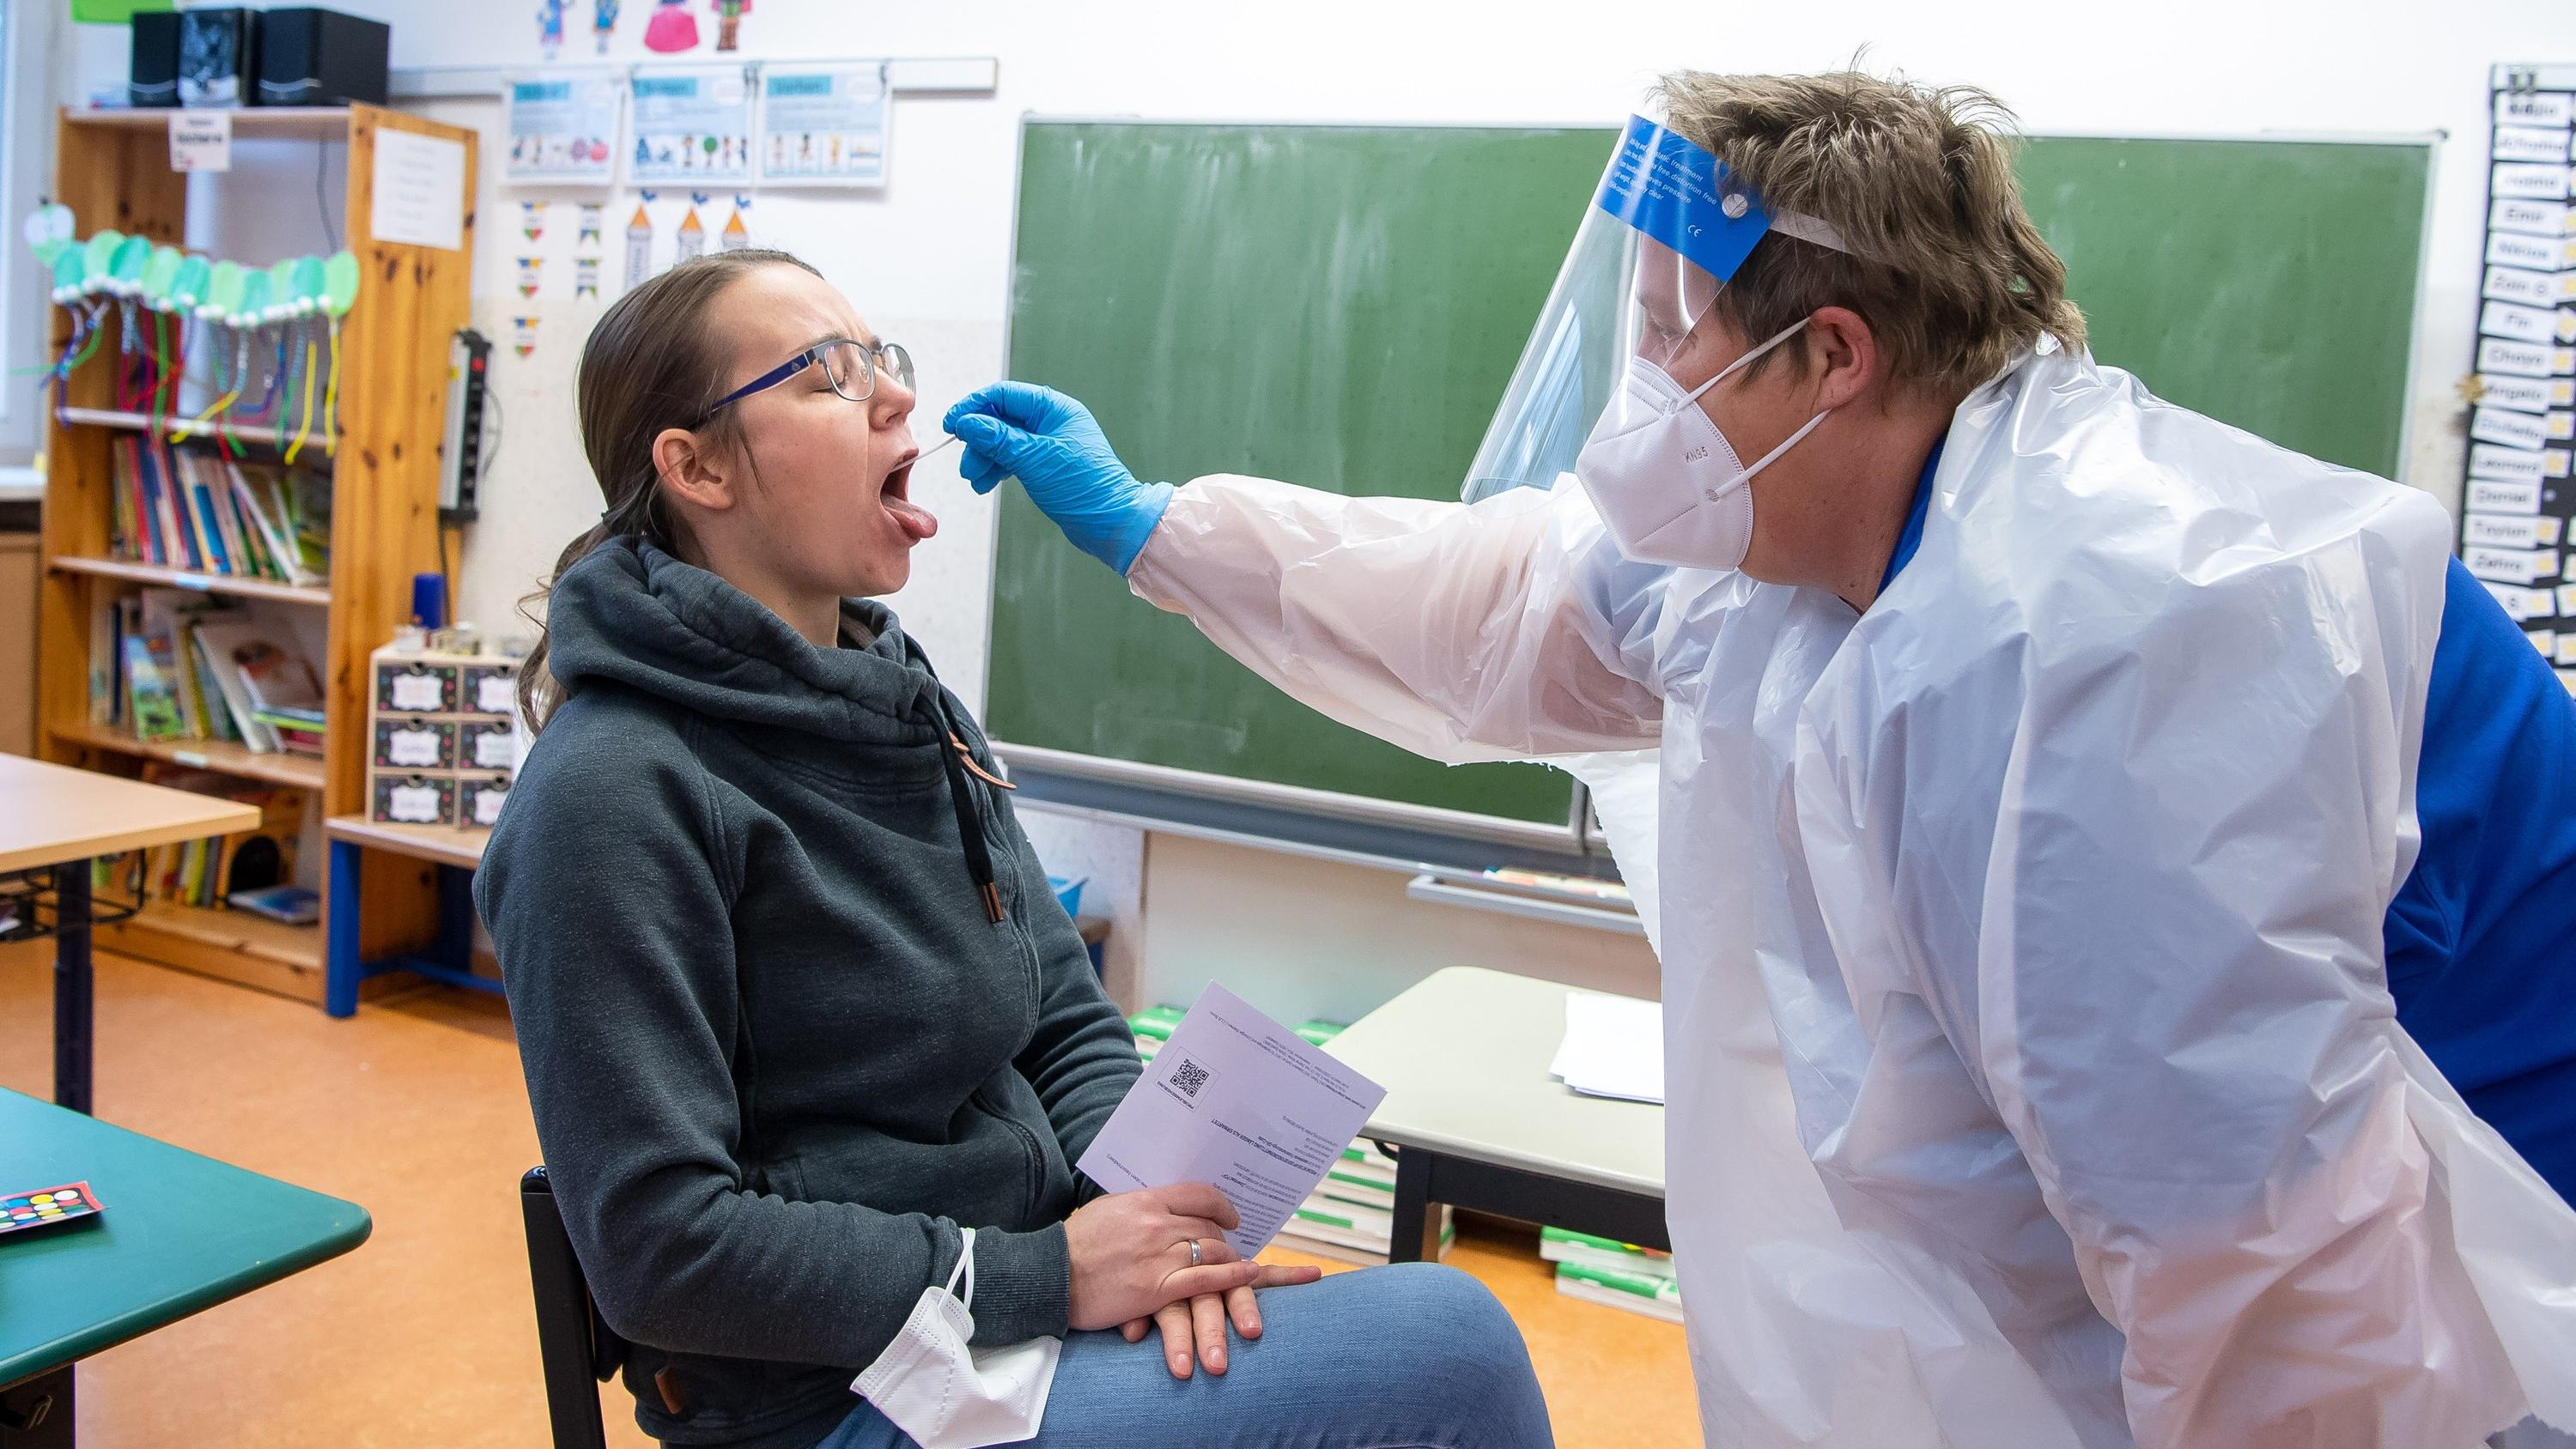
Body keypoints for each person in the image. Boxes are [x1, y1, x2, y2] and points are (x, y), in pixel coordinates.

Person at [947, 73, 2576, 1448]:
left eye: (1673, 334)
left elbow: (2266, 1275)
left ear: (1838, 355)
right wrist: (1163, 526)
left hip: (2483, 1280)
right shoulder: (1804, 544)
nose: (1637, 390)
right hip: (2234, 1237)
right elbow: (1505, 608)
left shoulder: (2101, 639)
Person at [475, 249, 1553, 1449]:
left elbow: (1059, 1012)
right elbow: (661, 1250)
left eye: (884, 359)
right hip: (847, 1394)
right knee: (1454, 1349)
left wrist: (1149, 1221)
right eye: (830, 375)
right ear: (698, 468)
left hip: (1023, 1305)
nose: (894, 398)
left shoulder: (903, 706)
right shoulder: (610, 795)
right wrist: (1052, 1277)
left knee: (1412, 1348)